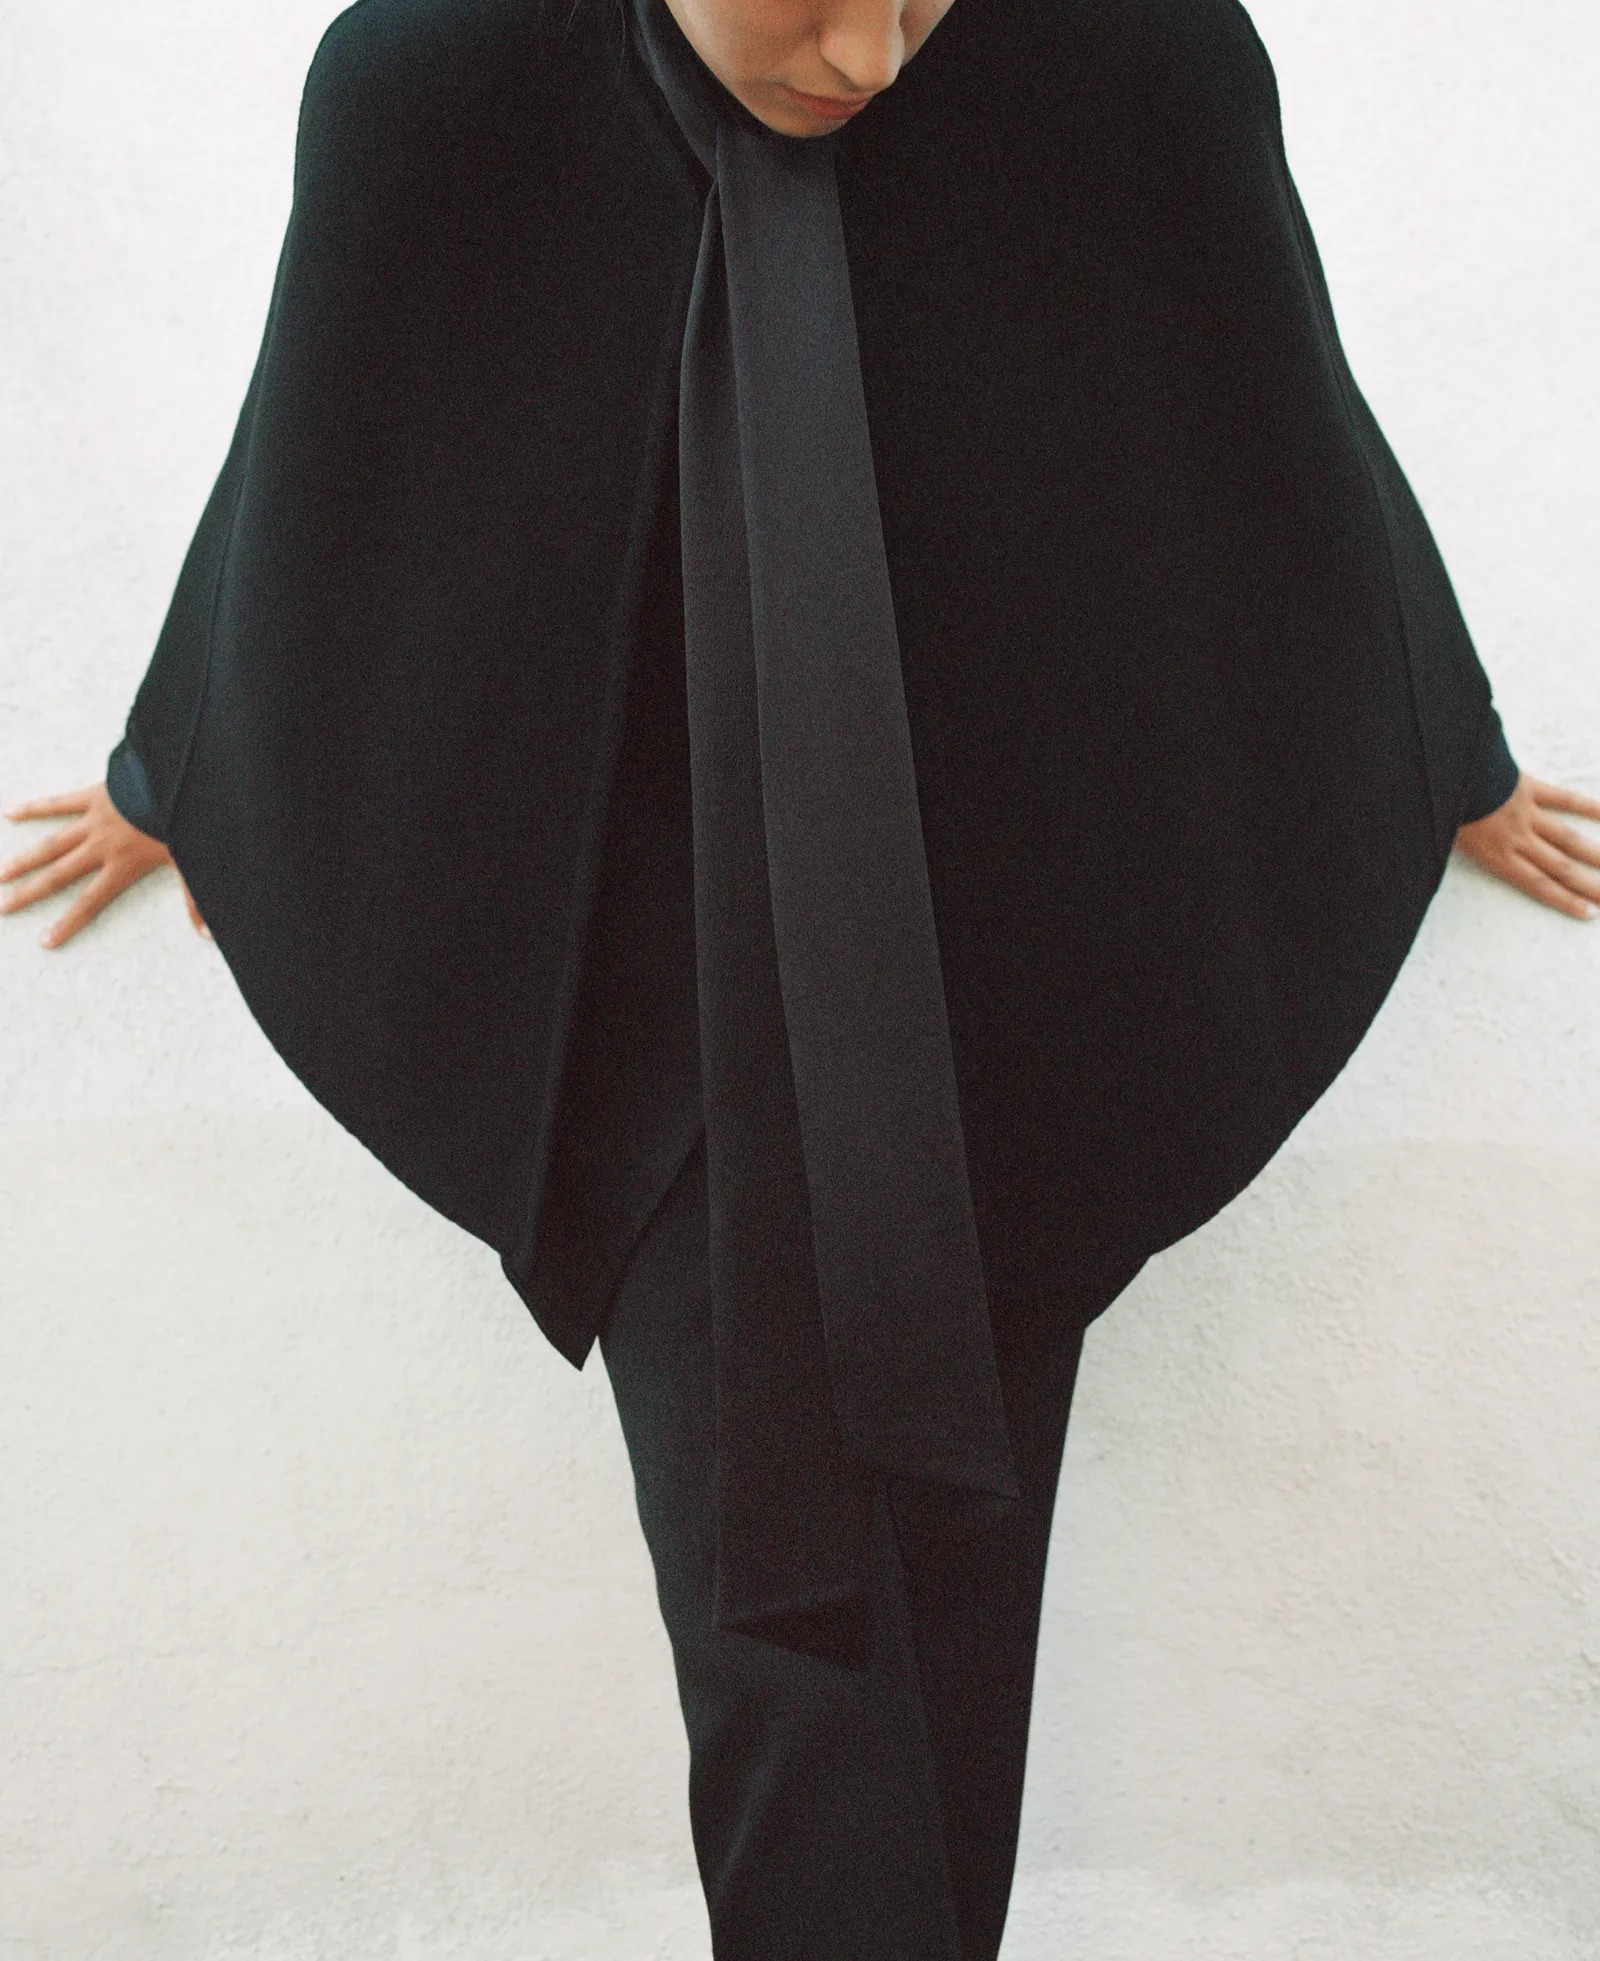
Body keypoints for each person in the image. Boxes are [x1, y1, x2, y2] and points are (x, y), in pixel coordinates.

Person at [5, 0, 1598, 1953]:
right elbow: (327, 443)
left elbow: (1274, 413)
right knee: (787, 1656)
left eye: (917, 0)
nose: (865, 57)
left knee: (960, 1626)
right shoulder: (437, 82)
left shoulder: (1130, 54)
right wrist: (186, 762)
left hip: (1023, 989)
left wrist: (1442, 740)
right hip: (654, 1031)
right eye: (815, 0)